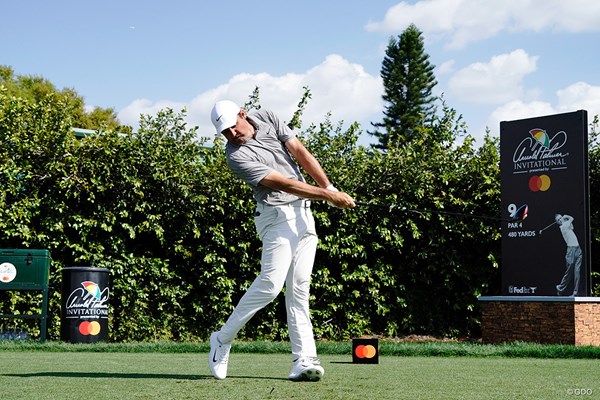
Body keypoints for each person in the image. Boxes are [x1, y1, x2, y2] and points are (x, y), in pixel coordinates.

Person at [208, 100, 355, 381]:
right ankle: (222, 339)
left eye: (233, 127)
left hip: (303, 214)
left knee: (299, 288)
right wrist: (327, 196)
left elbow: (299, 151)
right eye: (225, 132)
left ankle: (304, 359)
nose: (231, 135)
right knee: (270, 285)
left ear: (243, 114)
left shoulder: (267, 116)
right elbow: (283, 183)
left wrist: (328, 186)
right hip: (275, 216)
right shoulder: (235, 157)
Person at [554, 214, 582, 296]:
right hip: (571, 251)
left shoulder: (566, 225)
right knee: (569, 272)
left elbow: (572, 227)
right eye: (558, 220)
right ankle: (560, 288)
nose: (560, 219)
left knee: (577, 271)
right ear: (558, 223)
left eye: (560, 217)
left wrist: (565, 219)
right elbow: (572, 218)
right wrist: (565, 216)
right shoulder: (563, 227)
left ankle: (575, 293)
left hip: (578, 249)